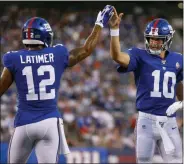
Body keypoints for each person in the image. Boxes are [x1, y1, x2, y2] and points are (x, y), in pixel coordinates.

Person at [0, 5, 113, 163]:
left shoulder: (14, 58)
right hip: (49, 123)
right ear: (46, 36)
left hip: (24, 123)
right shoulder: (57, 54)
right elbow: (87, 49)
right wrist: (99, 24)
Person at [108, 7, 183, 163]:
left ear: (167, 39)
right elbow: (117, 56)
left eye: (158, 39)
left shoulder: (178, 59)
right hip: (146, 121)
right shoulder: (139, 55)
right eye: (151, 39)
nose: (154, 43)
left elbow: (179, 87)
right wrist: (114, 30)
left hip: (169, 121)